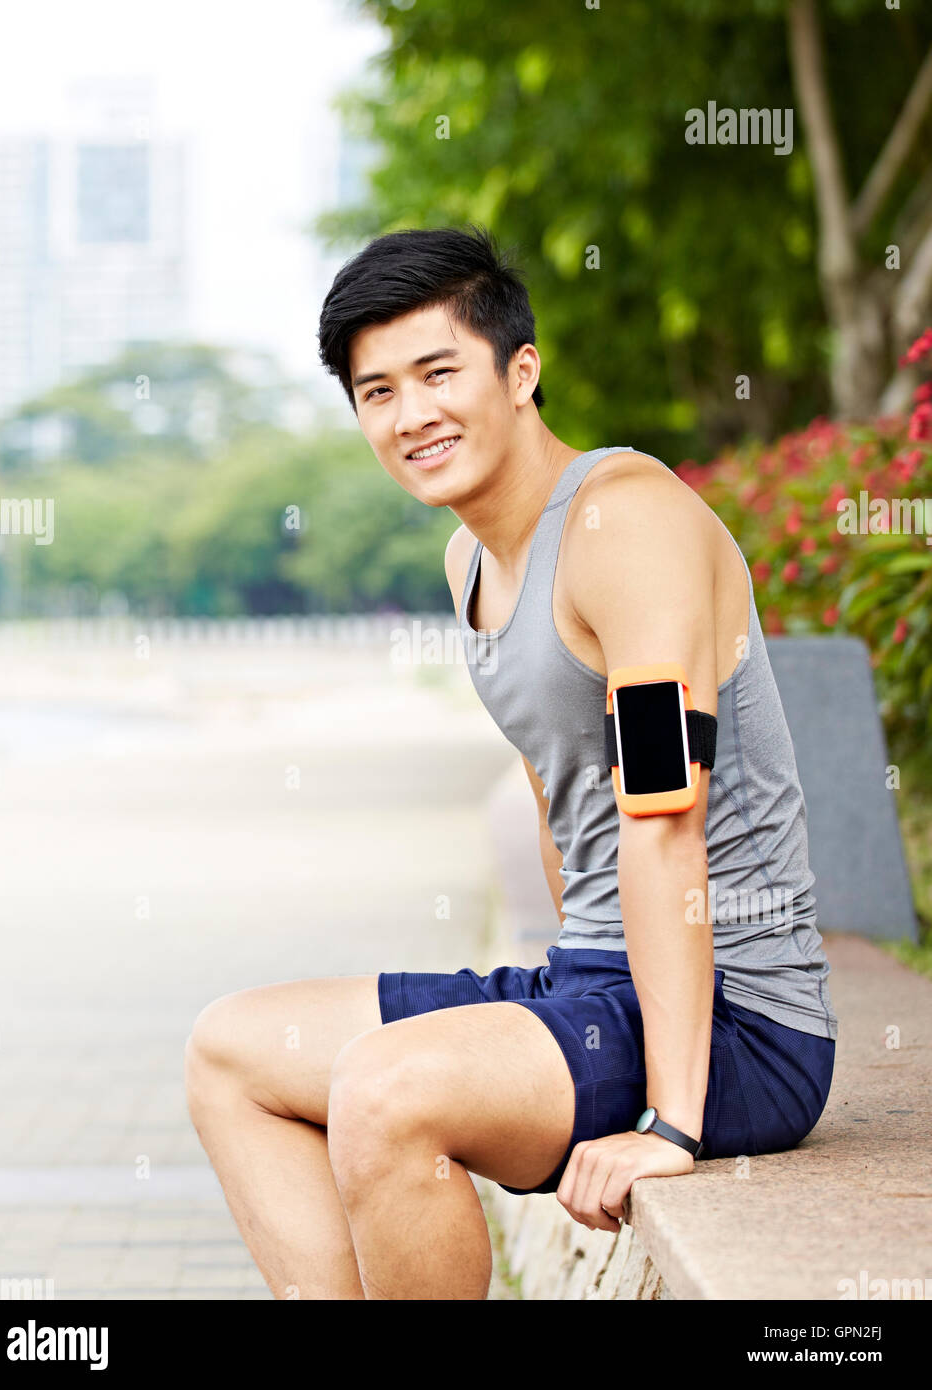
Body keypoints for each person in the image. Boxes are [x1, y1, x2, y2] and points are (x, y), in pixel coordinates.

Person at [184, 224, 838, 1301]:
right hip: (597, 981)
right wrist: (534, 1017)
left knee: (387, 1091)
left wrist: (671, 1121)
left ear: (520, 371)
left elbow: (663, 821)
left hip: (740, 1019)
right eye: (377, 391)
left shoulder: (625, 525)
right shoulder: (470, 560)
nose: (411, 416)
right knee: (233, 1052)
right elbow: (556, 787)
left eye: (439, 373)